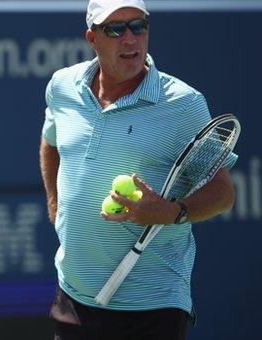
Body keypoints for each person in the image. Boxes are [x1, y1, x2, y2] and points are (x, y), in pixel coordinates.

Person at [39, 0, 237, 339]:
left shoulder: (184, 104)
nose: (130, 39)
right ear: (93, 38)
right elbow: (51, 143)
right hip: (73, 297)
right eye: (115, 29)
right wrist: (55, 203)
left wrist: (168, 212)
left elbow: (223, 192)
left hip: (153, 307)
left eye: (138, 26)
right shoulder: (63, 86)